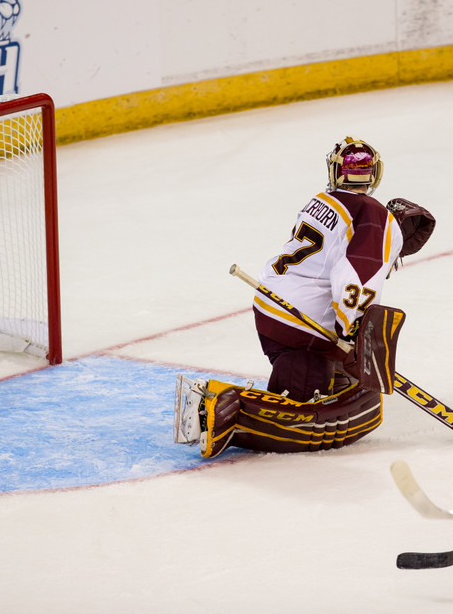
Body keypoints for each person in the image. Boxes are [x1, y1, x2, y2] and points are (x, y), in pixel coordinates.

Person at [174, 137, 435, 458]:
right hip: (305, 326)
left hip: (272, 306)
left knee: (344, 387)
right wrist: (353, 334)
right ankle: (222, 406)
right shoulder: (374, 216)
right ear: (376, 174)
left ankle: (320, 380)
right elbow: (356, 275)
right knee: (312, 418)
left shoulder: (323, 201)